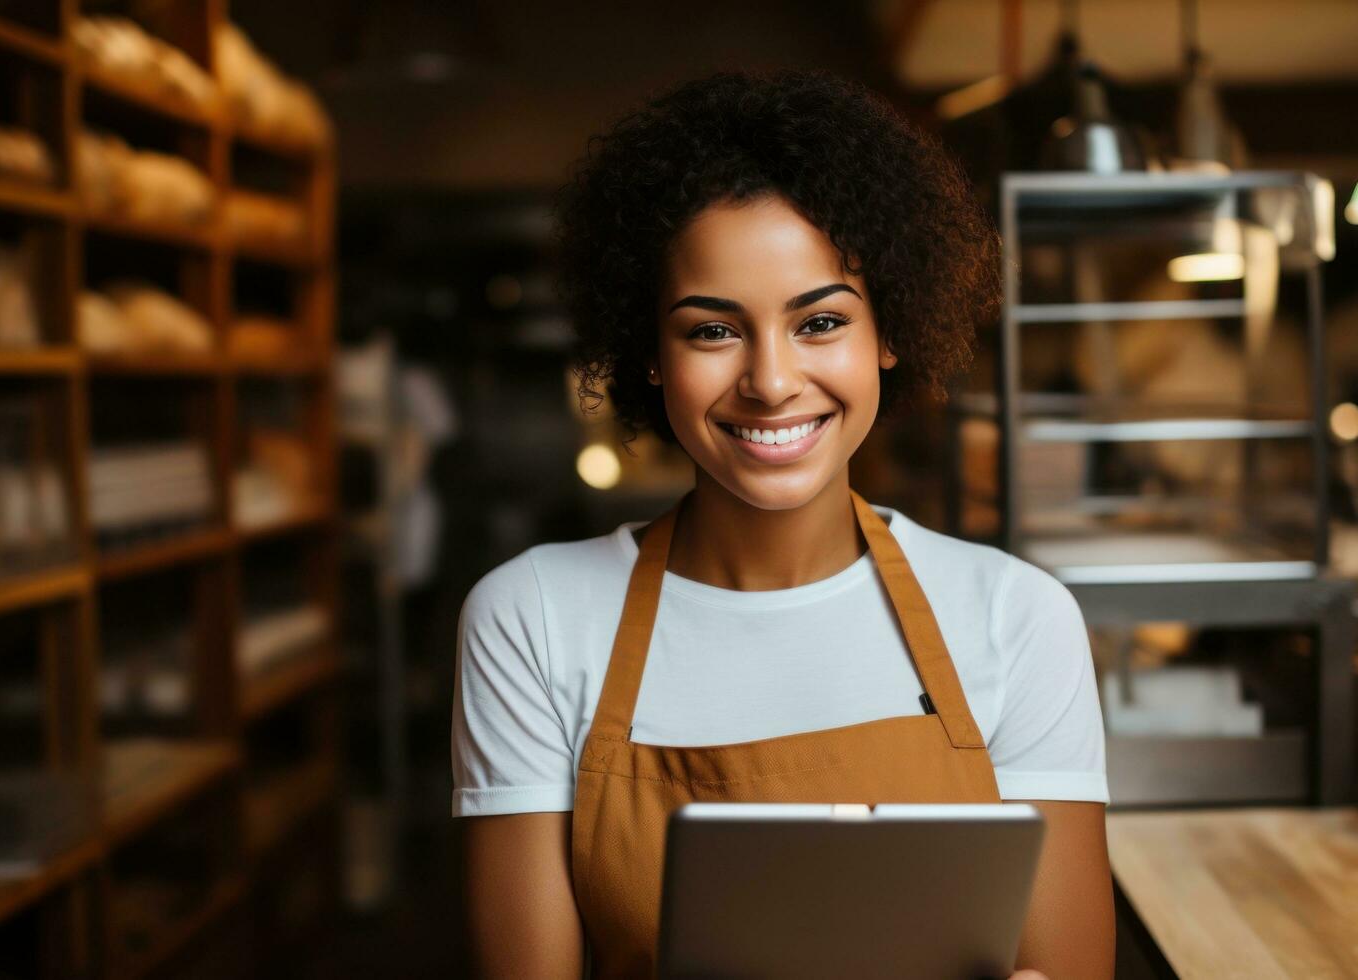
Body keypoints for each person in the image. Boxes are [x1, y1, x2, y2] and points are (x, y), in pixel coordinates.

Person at [452, 69, 1113, 979]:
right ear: (648, 355)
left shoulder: (1016, 618)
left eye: (820, 321)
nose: (769, 380)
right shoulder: (530, 618)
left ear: (888, 333)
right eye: (712, 331)